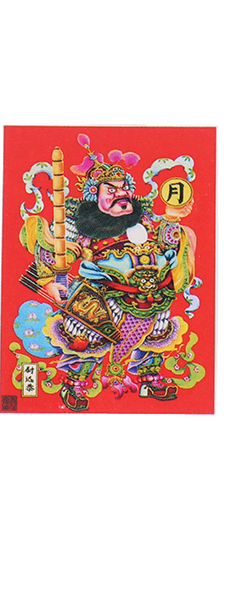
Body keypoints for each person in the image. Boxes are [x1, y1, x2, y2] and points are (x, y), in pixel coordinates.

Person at [20, 138, 197, 411]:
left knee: (157, 330)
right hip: (102, 291)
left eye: (124, 187)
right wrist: (50, 279)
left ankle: (149, 378)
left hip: (151, 289)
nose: (120, 193)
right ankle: (75, 383)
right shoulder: (76, 218)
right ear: (95, 193)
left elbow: (167, 243)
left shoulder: (144, 215)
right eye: (111, 189)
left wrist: (172, 218)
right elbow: (52, 248)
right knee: (89, 334)